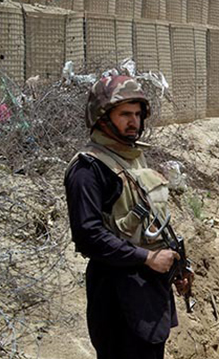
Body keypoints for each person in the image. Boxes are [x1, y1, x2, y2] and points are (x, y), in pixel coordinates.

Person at [65, 75, 192, 359]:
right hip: (117, 295)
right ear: (101, 116)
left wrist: (175, 268)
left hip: (147, 291)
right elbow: (88, 236)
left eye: (137, 114)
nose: (133, 121)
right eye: (125, 114)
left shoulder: (132, 159)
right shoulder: (88, 169)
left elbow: (149, 224)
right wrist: (147, 258)